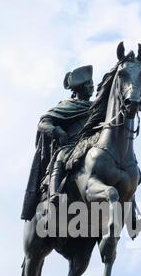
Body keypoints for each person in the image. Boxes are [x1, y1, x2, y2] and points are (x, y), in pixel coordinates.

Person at [21, 65, 94, 220]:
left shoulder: (97, 107)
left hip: (93, 143)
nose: (92, 86)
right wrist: (56, 131)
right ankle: (54, 195)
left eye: (92, 83)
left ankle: (131, 214)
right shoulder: (66, 106)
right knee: (60, 158)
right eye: (88, 84)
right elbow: (44, 123)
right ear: (79, 88)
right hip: (71, 145)